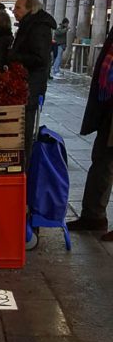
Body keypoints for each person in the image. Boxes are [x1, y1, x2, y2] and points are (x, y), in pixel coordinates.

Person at [67, 24, 113, 239]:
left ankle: (94, 215)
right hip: (109, 108)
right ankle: (93, 216)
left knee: (104, 162)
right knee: (102, 161)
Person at [9, 0, 56, 167]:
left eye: (18, 7)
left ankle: (24, 170)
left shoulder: (38, 27)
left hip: (31, 87)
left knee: (25, 132)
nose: (14, 11)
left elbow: (39, 59)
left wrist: (15, 56)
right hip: (26, 85)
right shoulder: (29, 24)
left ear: (30, 9)